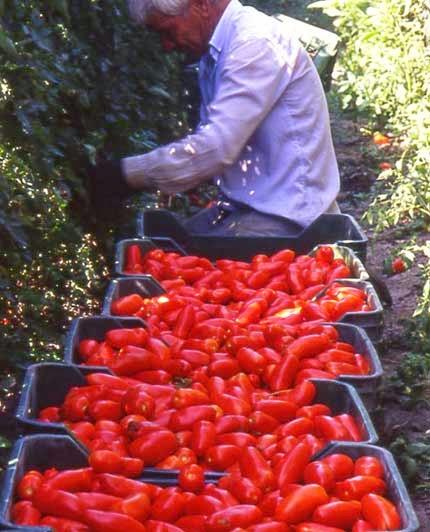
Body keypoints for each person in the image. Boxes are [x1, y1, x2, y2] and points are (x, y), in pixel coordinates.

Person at [89, 0, 340, 236]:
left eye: (168, 30)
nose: (167, 45)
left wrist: (125, 174)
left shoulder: (254, 45)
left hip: (290, 216)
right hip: (251, 205)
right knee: (171, 248)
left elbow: (215, 148)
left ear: (200, 5)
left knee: (183, 267)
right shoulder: (219, 49)